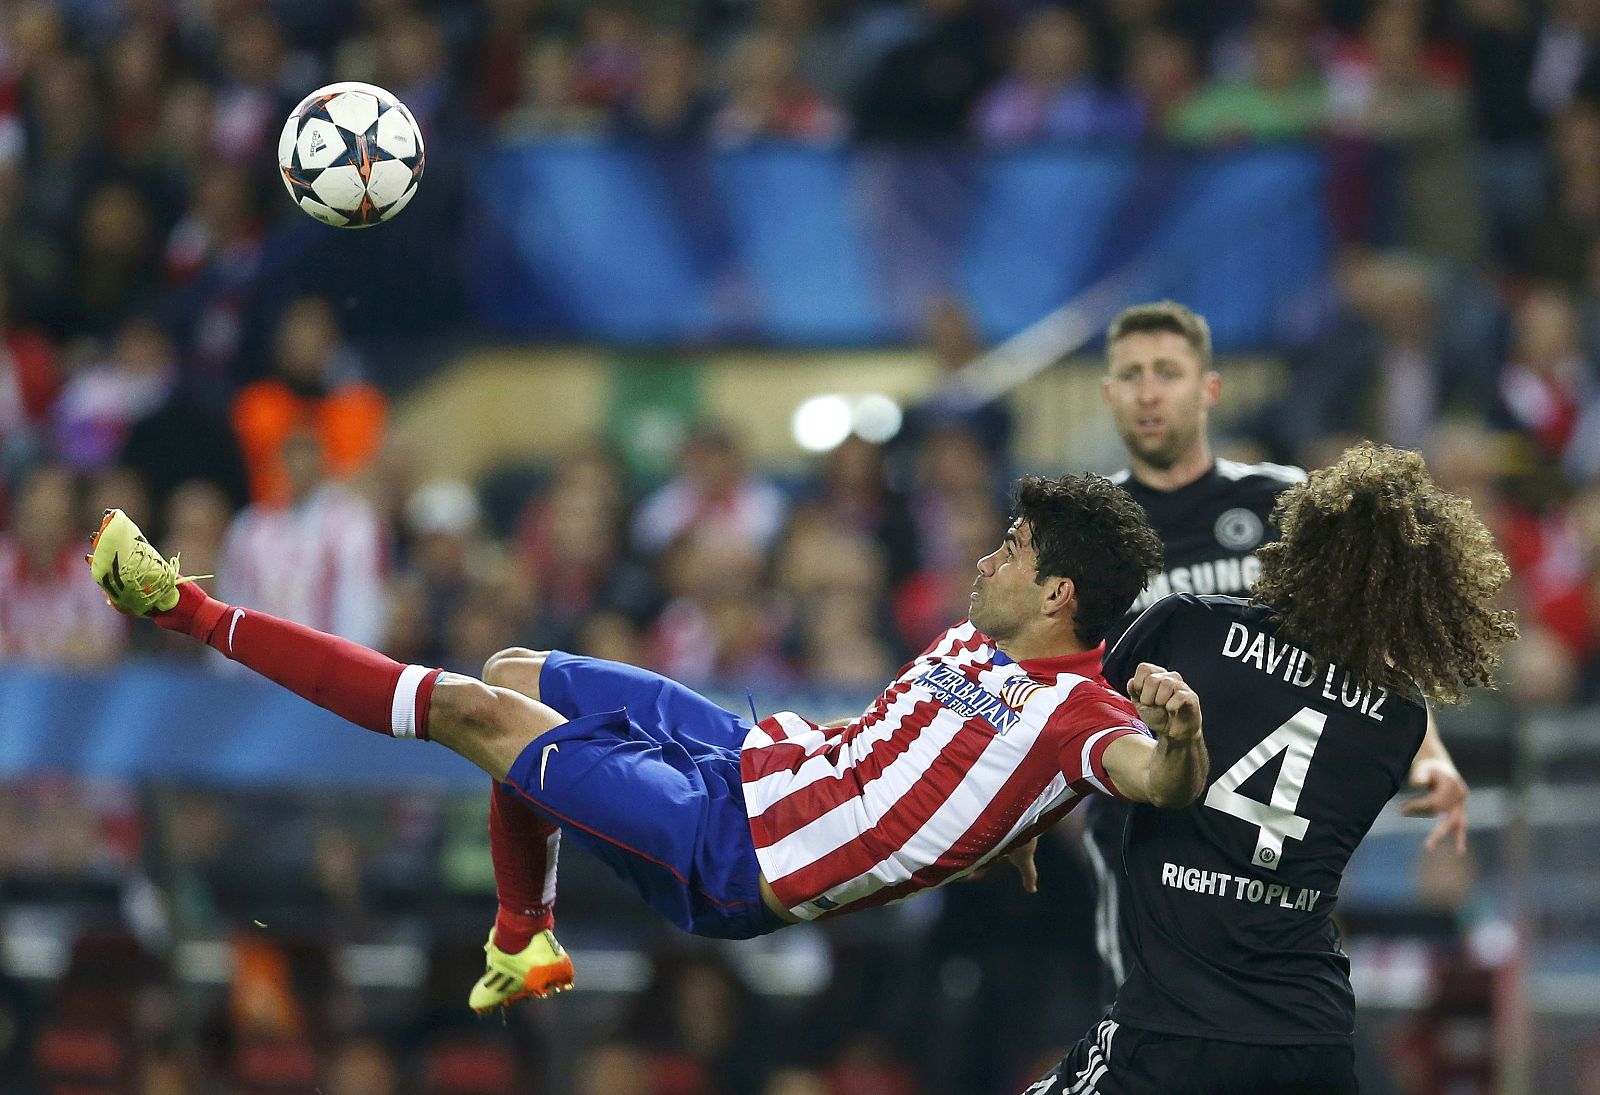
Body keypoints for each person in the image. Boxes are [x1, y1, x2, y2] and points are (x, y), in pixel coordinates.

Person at [87, 473, 1208, 1014]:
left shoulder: (1091, 721)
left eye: (1011, 551)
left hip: (741, 860)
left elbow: (1146, 777)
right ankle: (524, 934)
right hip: (754, 760)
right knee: (520, 668)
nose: (985, 559)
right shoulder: (983, 641)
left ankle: (184, 614)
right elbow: (981, 773)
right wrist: (1009, 837)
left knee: (476, 716)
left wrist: (1180, 741)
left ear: (1058, 591)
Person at [1021, 442, 1518, 1094]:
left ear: (1300, 545)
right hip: (1311, 1038)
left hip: (1177, 1022)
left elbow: (1053, 717)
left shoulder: (1185, 627)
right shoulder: (1399, 721)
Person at [1081, 300, 1471, 1003]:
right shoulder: (1085, 529)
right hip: (1141, 822)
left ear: (1209, 389)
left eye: (1166, 371)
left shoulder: (1284, 501)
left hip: (1276, 826)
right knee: (1149, 1024)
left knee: (1278, 1011)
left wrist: (1431, 751)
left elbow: (1371, 649)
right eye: (1131, 375)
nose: (1147, 391)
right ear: (1109, 393)